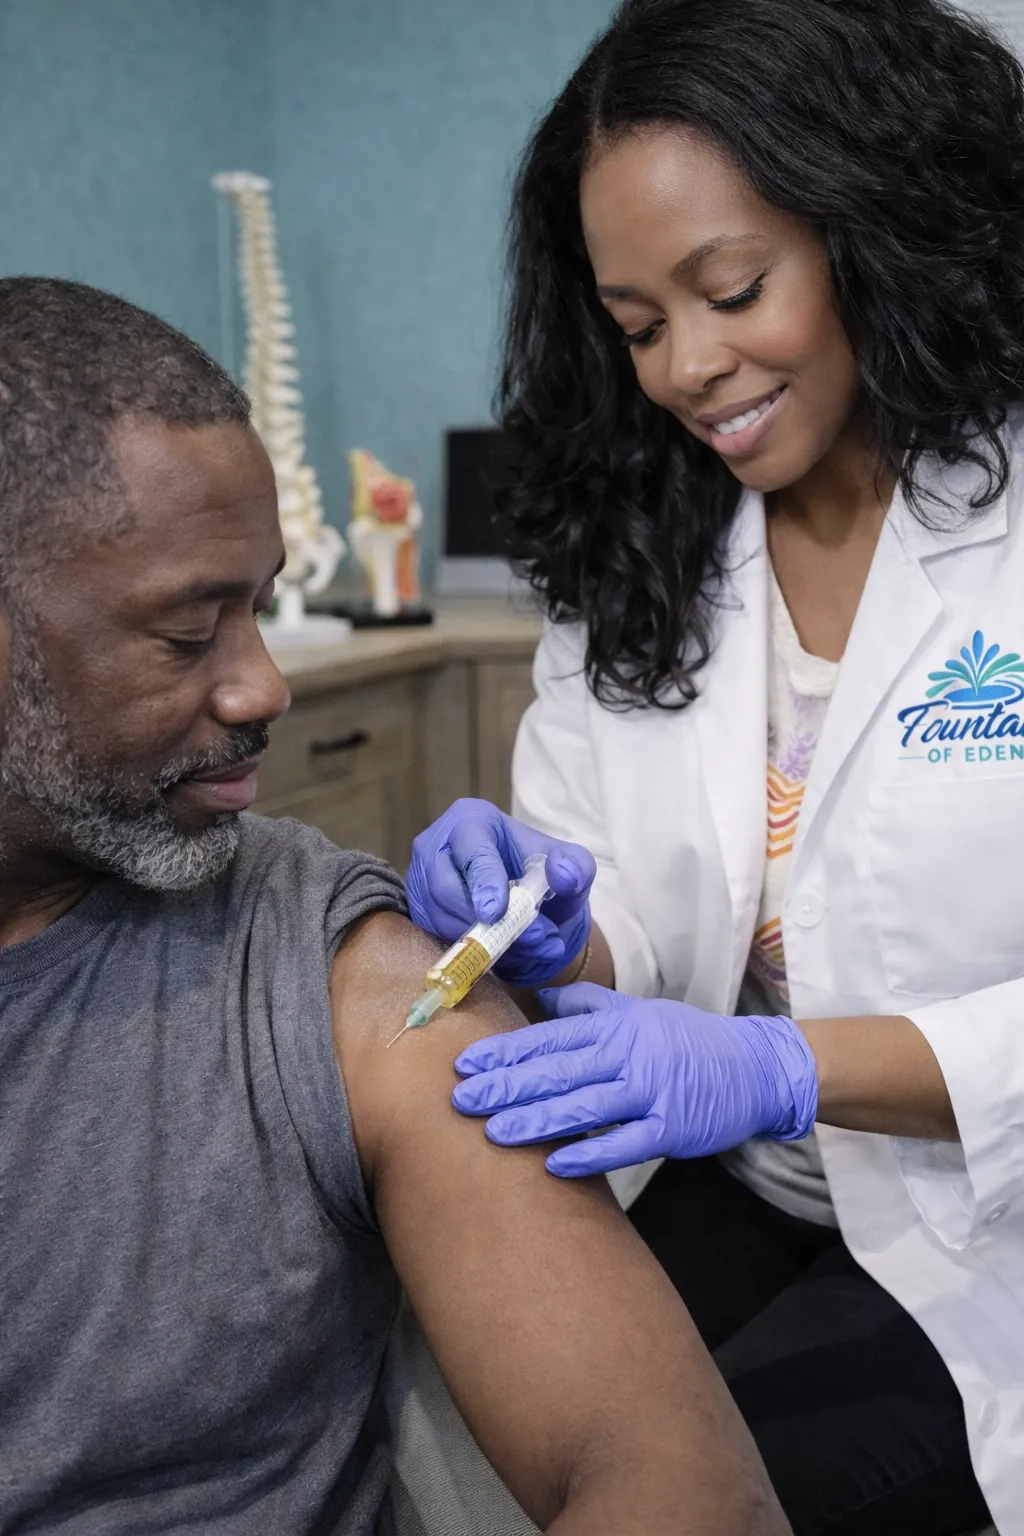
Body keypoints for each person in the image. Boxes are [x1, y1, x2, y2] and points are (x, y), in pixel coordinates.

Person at [0, 277, 788, 1536]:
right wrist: (592, 945)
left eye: (258, 607)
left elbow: (679, 1488)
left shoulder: (332, 967)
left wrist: (802, 1061)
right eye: (188, 631)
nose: (265, 687)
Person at [405, 1, 1024, 1532]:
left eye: (731, 289)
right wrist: (557, 925)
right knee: (472, 1427)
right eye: (636, 324)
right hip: (751, 1177)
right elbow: (615, 888)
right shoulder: (649, 544)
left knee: (707, 1485)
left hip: (991, 1225)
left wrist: (788, 1066)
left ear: (880, 225)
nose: (687, 367)